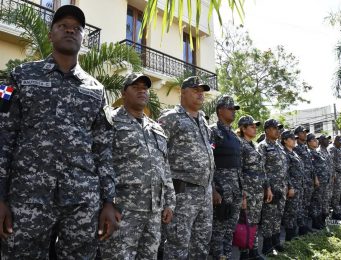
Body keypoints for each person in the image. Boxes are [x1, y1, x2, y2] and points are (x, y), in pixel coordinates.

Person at [0, 5, 117, 259]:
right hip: (28, 196)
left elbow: (103, 148)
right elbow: (4, 137)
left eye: (77, 28)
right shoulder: (21, 76)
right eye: (63, 25)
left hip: (81, 201)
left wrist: (109, 201)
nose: (70, 30)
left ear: (83, 38)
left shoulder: (96, 89)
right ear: (51, 34)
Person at [99, 73, 176, 259]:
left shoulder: (156, 128)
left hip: (153, 212)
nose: (142, 90)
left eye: (145, 88)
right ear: (123, 93)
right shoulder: (111, 121)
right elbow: (102, 162)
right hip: (123, 210)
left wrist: (169, 202)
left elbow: (164, 167)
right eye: (135, 87)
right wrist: (107, 202)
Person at [158, 76, 215, 259]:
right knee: (177, 246)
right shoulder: (170, 118)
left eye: (202, 91)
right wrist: (167, 198)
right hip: (182, 194)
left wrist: (211, 188)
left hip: (205, 193)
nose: (200, 94)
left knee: (201, 243)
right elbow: (159, 157)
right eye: (195, 90)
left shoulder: (204, 122)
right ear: (183, 92)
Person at [209, 95, 243, 260]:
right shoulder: (213, 132)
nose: (233, 112)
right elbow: (209, 160)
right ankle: (217, 256)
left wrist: (241, 189)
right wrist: (214, 189)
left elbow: (239, 163)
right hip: (221, 188)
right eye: (230, 109)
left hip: (235, 187)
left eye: (234, 109)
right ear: (220, 110)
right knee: (219, 226)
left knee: (230, 226)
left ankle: (227, 256)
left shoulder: (235, 136)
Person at [237, 115, 272, 260]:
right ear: (243, 129)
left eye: (255, 126)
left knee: (255, 221)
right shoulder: (239, 145)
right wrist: (242, 194)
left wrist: (267, 188)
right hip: (247, 191)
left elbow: (262, 169)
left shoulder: (255, 146)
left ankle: (254, 250)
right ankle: (244, 253)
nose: (255, 128)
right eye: (251, 126)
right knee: (245, 221)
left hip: (258, 190)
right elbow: (238, 171)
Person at [258, 119, 287, 256]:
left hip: (282, 187)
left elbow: (284, 168)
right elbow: (261, 169)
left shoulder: (279, 146)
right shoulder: (262, 146)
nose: (278, 130)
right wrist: (267, 187)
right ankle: (267, 245)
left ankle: (276, 242)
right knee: (269, 217)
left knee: (278, 215)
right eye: (275, 128)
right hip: (271, 188)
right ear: (267, 130)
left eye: (278, 128)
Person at [281, 131, 304, 241]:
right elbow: (286, 172)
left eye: (295, 138)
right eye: (291, 138)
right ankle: (289, 238)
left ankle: (294, 235)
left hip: (299, 186)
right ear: (285, 140)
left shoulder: (294, 153)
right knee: (290, 212)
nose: (294, 140)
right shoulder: (284, 153)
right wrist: (290, 187)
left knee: (296, 210)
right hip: (292, 187)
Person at [293, 126, 314, 235]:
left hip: (308, 180)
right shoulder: (295, 148)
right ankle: (301, 227)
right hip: (300, 180)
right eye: (303, 132)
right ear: (297, 134)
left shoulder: (305, 147)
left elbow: (310, 165)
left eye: (306, 132)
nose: (305, 134)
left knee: (306, 203)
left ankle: (304, 225)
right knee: (299, 205)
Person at [307, 133, 330, 229]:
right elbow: (312, 168)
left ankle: (320, 220)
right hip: (317, 182)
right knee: (316, 202)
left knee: (321, 201)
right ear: (308, 142)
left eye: (316, 139)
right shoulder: (309, 152)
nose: (316, 141)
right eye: (313, 140)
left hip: (324, 181)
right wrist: (315, 179)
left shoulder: (317, 152)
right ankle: (315, 222)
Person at [328, 135, 341, 220]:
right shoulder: (332, 148)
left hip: (340, 174)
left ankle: (336, 211)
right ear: (335, 140)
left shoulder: (338, 149)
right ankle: (335, 212)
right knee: (335, 194)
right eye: (339, 141)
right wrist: (333, 174)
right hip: (336, 174)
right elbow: (331, 162)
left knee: (337, 194)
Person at [317, 134, 334, 224]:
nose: (328, 141)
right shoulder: (318, 151)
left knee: (327, 198)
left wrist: (332, 175)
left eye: (328, 140)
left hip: (329, 179)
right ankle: (320, 219)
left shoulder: (327, 151)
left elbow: (330, 165)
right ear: (321, 141)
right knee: (321, 200)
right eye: (326, 140)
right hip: (322, 180)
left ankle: (326, 217)